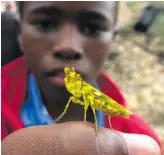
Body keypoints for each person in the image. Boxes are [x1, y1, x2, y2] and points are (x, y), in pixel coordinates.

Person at [1, 2, 162, 155]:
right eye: (45, 24)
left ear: (113, 40)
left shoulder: (138, 137)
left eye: (92, 28)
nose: (68, 46)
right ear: (19, 32)